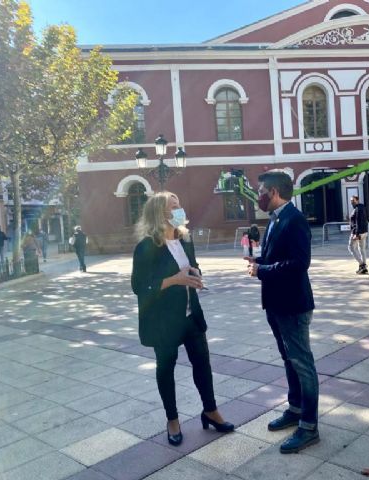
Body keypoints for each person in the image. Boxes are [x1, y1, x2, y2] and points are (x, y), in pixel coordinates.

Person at [131, 191, 233, 447]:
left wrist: (196, 275)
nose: (180, 211)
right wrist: (175, 279)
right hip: (163, 320)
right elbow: (139, 286)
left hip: (191, 315)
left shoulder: (184, 240)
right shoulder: (146, 246)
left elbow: (192, 265)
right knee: (166, 369)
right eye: (174, 207)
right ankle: (173, 419)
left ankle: (210, 410)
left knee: (202, 365)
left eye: (179, 205)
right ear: (159, 214)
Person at [246, 171, 319, 454]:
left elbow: (300, 263)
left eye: (261, 189)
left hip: (293, 305)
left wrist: (262, 270)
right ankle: (295, 409)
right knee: (289, 360)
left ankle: (309, 426)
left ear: (274, 191)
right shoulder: (276, 218)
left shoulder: (295, 219)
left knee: (302, 364)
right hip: (276, 303)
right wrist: (259, 260)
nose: (259, 195)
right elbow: (279, 256)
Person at [348, 195, 369, 274]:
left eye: (353, 201)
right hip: (364, 231)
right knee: (362, 249)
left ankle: (362, 264)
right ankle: (364, 268)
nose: (351, 202)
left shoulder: (357, 209)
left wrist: (356, 233)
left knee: (351, 248)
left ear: (357, 200)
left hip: (358, 232)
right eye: (351, 201)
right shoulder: (362, 208)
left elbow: (357, 222)